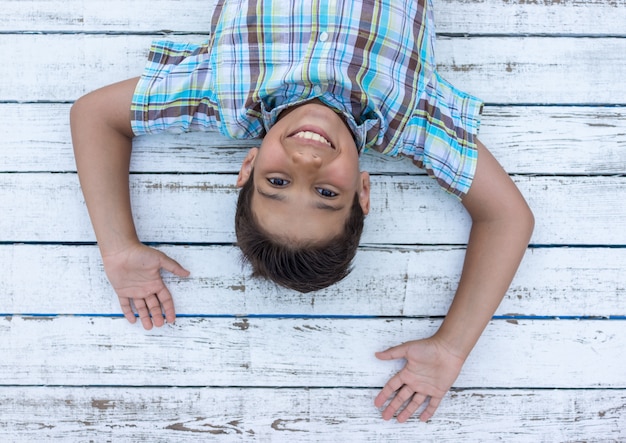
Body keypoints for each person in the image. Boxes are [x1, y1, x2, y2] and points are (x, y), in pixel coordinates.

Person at [70, 0, 534, 423]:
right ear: (363, 192)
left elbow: (93, 115)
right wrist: (452, 346)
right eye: (327, 193)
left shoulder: (220, 93)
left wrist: (118, 247)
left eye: (276, 183)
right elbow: (507, 217)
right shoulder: (412, 122)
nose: (306, 164)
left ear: (248, 166)